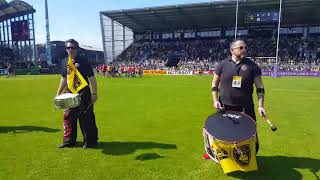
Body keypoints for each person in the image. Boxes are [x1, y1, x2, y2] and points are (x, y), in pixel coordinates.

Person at [203, 39, 267, 160]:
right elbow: (214, 84)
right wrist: (215, 100)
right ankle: (213, 152)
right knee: (220, 131)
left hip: (245, 106)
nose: (244, 50)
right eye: (241, 48)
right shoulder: (222, 64)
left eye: (245, 48)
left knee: (248, 132)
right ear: (232, 50)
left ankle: (249, 155)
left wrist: (260, 105)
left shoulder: (252, 66)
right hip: (224, 106)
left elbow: (260, 87)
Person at [56, 39, 98, 149]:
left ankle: (90, 141)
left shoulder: (83, 61)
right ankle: (68, 141)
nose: (70, 50)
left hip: (84, 93)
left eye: (73, 47)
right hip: (69, 93)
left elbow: (92, 78)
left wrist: (94, 93)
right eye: (68, 48)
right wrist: (58, 93)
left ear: (77, 49)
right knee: (68, 117)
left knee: (86, 118)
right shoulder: (65, 61)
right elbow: (64, 78)